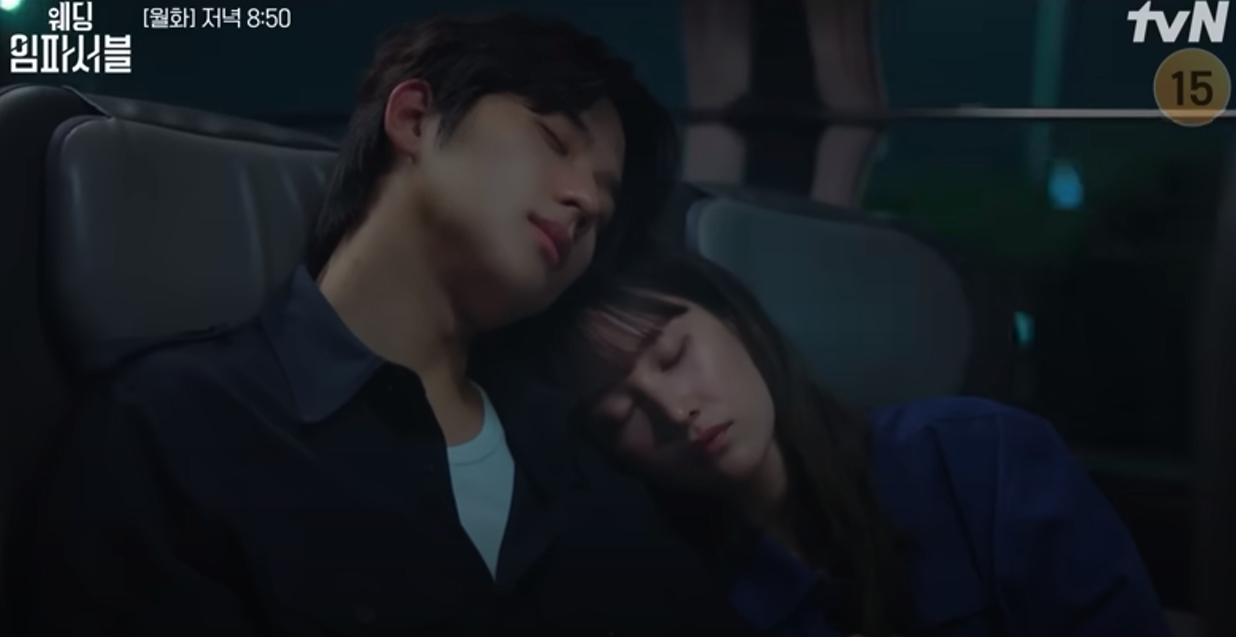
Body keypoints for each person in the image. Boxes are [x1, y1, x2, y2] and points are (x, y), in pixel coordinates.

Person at [23, 14, 754, 637]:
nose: (587, 203)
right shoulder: (180, 427)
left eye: (605, 198)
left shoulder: (584, 465)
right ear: (414, 119)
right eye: (555, 140)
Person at [550, 249, 1174, 637]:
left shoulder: (979, 456)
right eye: (620, 415)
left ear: (735, 321)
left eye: (674, 356)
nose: (673, 411)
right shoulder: (677, 599)